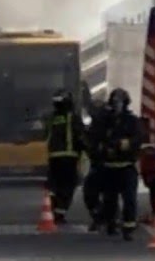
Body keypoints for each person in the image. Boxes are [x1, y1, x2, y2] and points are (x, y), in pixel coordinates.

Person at [98, 88, 143, 241]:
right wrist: (105, 148)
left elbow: (138, 139)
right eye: (115, 102)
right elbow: (96, 138)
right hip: (109, 167)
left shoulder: (131, 121)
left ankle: (128, 228)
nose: (117, 105)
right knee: (109, 199)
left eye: (120, 102)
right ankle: (111, 223)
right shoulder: (105, 121)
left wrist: (127, 144)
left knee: (129, 198)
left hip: (127, 166)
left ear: (125, 103)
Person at [44, 89, 85, 225]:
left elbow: (45, 135)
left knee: (54, 185)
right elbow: (80, 136)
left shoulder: (50, 118)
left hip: (53, 157)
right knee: (68, 186)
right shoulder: (72, 117)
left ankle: (53, 204)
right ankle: (60, 213)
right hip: (69, 157)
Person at [83, 97, 109, 231]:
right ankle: (100, 217)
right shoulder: (92, 127)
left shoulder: (111, 126)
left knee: (108, 194)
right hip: (97, 165)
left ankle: (109, 218)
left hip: (110, 165)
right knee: (90, 193)